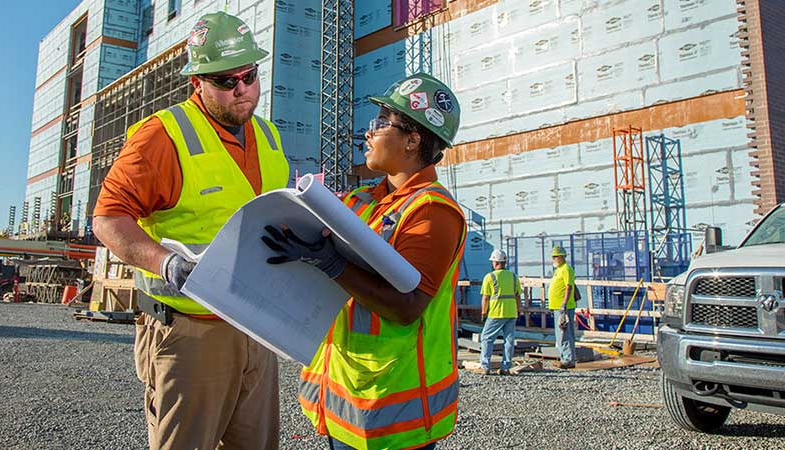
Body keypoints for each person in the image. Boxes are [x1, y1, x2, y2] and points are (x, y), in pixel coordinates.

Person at [92, 11, 288, 450]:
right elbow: (108, 219)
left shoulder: (270, 138)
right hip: (188, 332)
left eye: (250, 75)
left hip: (255, 328)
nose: (242, 89)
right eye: (225, 80)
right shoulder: (162, 135)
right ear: (197, 82)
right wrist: (166, 263)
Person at [262, 73, 465, 450]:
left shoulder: (433, 211)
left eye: (381, 123)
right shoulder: (359, 201)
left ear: (412, 139)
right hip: (343, 398)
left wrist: (332, 265)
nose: (368, 133)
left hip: (393, 405)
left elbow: (409, 307)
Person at [475, 249, 521, 375]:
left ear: (495, 263)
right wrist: (519, 309)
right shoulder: (513, 276)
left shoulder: (490, 277)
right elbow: (517, 296)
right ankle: (506, 367)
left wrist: (483, 313)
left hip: (496, 312)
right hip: (511, 312)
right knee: (509, 340)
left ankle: (485, 366)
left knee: (486, 338)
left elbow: (485, 297)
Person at [549, 246, 577, 369]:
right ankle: (564, 357)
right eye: (553, 257)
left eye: (555, 256)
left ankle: (568, 359)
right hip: (557, 306)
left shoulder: (566, 269)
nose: (553, 259)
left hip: (564, 307)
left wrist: (564, 303)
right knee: (560, 333)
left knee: (564, 333)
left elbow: (569, 286)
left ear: (561, 257)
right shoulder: (559, 270)